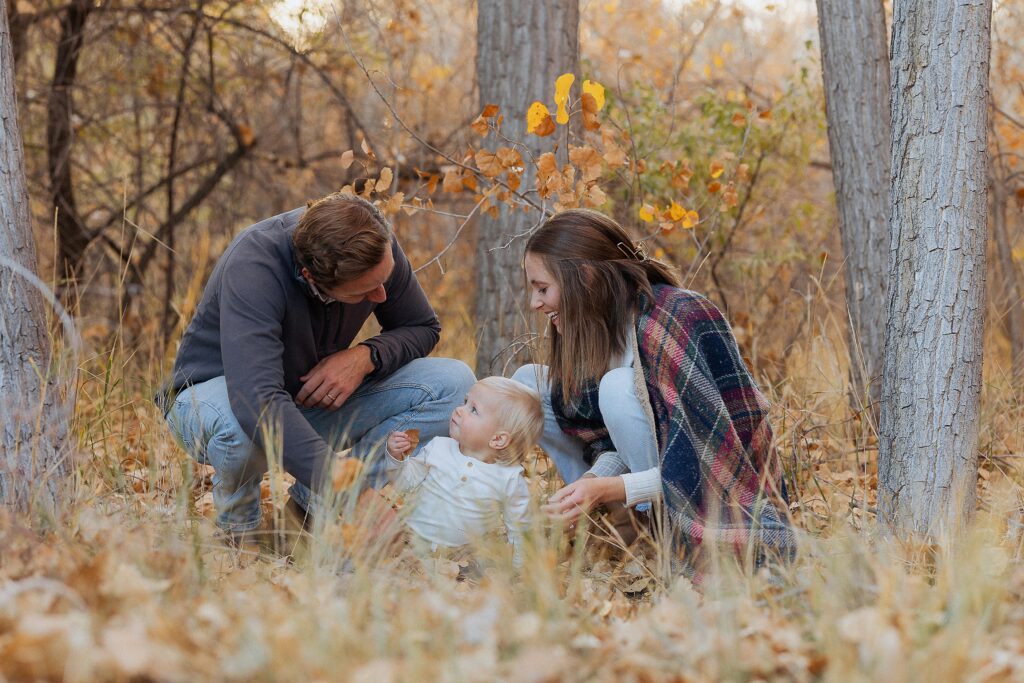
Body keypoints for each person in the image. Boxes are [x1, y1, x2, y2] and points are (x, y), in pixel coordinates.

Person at [162, 192, 475, 541]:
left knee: (454, 383)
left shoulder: (373, 242)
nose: (381, 297)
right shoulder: (255, 264)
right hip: (215, 405)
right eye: (365, 292)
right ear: (312, 277)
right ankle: (240, 534)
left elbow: (421, 326)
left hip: (306, 402)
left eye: (383, 281)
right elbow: (256, 401)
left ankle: (304, 515)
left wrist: (365, 357)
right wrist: (345, 486)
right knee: (242, 425)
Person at [511, 209, 795, 567]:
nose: (534, 303)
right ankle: (603, 518)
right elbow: (619, 441)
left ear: (584, 277)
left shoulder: (674, 316)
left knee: (615, 387)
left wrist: (611, 488)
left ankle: (668, 534)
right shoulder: (597, 331)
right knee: (526, 385)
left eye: (542, 289)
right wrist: (593, 481)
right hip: (639, 482)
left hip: (706, 491)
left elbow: (699, 466)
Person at [385, 377, 544, 567]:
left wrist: (520, 569)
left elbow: (519, 528)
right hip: (412, 540)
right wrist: (397, 458)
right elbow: (404, 484)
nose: (460, 410)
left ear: (498, 439)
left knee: (480, 569)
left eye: (473, 410)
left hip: (463, 558)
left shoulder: (508, 478)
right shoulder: (438, 448)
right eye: (465, 402)